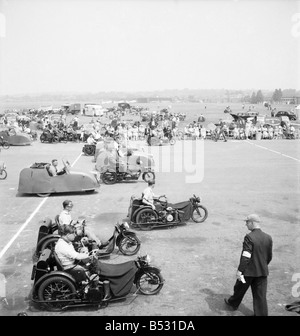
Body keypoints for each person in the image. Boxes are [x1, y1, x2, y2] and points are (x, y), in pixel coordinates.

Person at [224, 214, 273, 316]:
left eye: (247, 222)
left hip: (248, 272)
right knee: (260, 296)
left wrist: (240, 271)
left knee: (239, 288)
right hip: (262, 271)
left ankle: (233, 303)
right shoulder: (268, 237)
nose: (246, 225)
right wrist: (262, 265)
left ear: (252, 223)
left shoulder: (249, 237)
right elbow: (269, 256)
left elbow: (246, 256)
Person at [55, 224, 111, 301]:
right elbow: (76, 256)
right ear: (67, 234)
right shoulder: (62, 246)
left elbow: (73, 252)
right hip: (69, 267)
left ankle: (94, 280)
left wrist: (84, 252)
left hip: (70, 263)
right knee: (91, 265)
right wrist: (89, 254)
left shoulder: (65, 242)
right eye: (73, 233)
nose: (75, 235)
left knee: (89, 262)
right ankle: (90, 287)